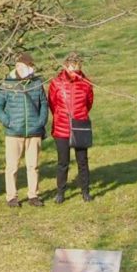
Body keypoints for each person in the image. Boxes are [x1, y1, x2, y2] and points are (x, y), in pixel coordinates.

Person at [0, 53, 50, 207]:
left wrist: (41, 121)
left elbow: (44, 104)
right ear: (18, 66)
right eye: (27, 66)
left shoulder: (37, 83)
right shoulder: (7, 84)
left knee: (33, 166)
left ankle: (33, 195)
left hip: (34, 131)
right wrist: (7, 121)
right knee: (12, 166)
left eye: (31, 67)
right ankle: (11, 197)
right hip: (14, 132)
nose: (30, 69)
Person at [47, 55, 96, 202]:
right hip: (61, 128)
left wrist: (79, 116)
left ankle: (85, 191)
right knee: (63, 162)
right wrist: (61, 116)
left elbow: (89, 103)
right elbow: (52, 104)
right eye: (71, 68)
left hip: (80, 126)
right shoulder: (56, 83)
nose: (74, 71)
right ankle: (60, 192)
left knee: (82, 161)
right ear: (65, 67)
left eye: (76, 68)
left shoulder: (86, 84)